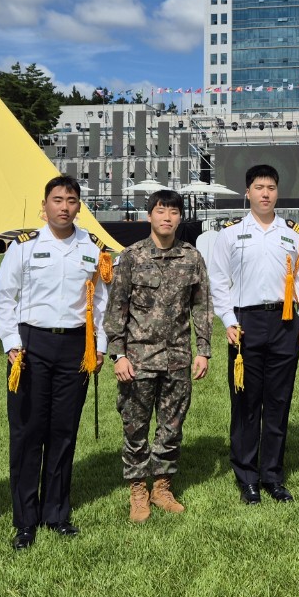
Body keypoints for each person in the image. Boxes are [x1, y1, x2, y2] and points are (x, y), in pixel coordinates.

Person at [0, 175, 112, 550]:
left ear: (79, 207)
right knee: (27, 433)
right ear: (44, 205)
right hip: (31, 345)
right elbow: (3, 298)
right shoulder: (24, 246)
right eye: (57, 200)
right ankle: (25, 520)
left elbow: (101, 302)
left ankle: (56, 513)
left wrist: (99, 346)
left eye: (71, 200)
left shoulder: (93, 248)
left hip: (75, 346)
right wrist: (11, 343)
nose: (64, 207)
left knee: (63, 431)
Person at [208, 164, 299, 504]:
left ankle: (272, 476)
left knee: (278, 402)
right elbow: (218, 280)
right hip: (245, 323)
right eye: (259, 187)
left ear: (277, 192)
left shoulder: (294, 234)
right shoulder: (230, 233)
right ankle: (247, 478)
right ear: (248, 192)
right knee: (246, 403)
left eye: (270, 187)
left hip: (285, 322)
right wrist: (228, 320)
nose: (265, 193)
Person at [105, 189, 212, 523]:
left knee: (172, 426)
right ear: (149, 215)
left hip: (178, 358)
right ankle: (138, 489)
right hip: (138, 360)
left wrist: (203, 350)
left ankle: (162, 486)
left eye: (174, 212)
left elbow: (202, 306)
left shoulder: (191, 258)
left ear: (180, 217)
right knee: (134, 426)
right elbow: (116, 309)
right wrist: (117, 355)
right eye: (161, 211)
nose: (167, 217)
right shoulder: (132, 257)